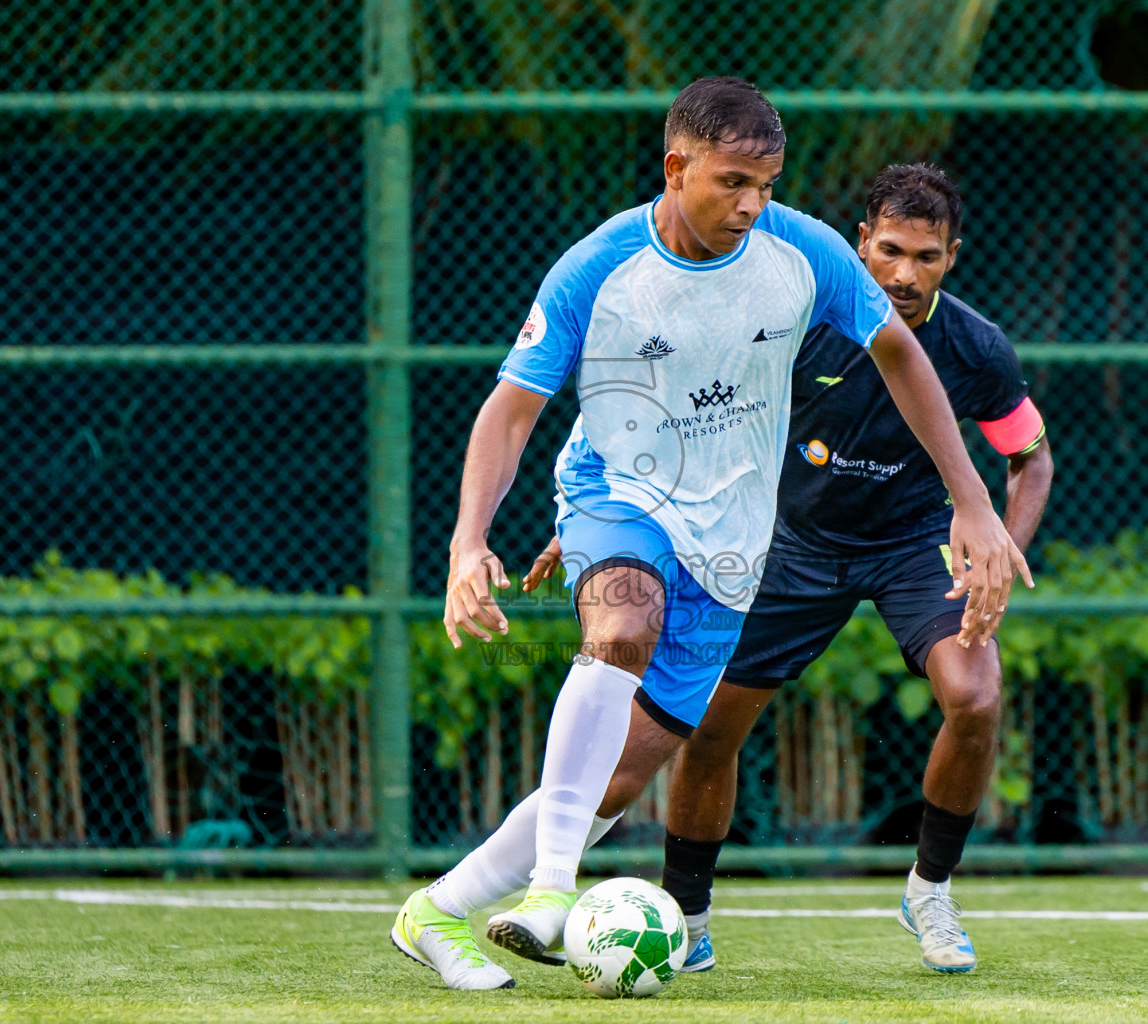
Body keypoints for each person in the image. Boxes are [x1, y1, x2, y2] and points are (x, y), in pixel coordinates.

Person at [391, 80, 1029, 991]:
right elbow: (513, 407)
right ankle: (550, 891)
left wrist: (971, 499)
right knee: (622, 624)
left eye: (766, 184)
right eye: (733, 183)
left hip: (733, 547)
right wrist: (468, 540)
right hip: (617, 495)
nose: (751, 205)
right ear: (675, 168)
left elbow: (900, 354)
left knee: (616, 780)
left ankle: (432, 911)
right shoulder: (597, 266)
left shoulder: (801, 251)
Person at [648, 163, 1052, 975]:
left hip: (913, 547)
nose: (905, 274)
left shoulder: (976, 348)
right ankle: (687, 918)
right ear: (861, 243)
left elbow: (1029, 458)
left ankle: (928, 891)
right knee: (711, 728)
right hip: (789, 542)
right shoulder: (794, 320)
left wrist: (999, 549)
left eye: (927, 257)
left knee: (975, 697)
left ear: (953, 257)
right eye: (891, 251)